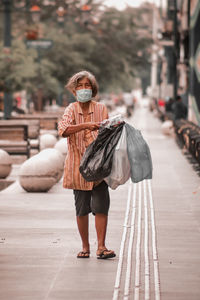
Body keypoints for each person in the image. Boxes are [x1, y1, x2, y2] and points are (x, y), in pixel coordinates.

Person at [58, 70, 116, 260]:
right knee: (81, 208)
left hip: (99, 167)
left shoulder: (101, 108)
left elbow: (107, 135)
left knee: (101, 207)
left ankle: (101, 246)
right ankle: (85, 247)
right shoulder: (71, 109)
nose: (84, 89)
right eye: (80, 86)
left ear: (93, 89)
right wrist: (85, 125)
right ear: (74, 91)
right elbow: (63, 130)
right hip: (78, 166)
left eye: (87, 86)